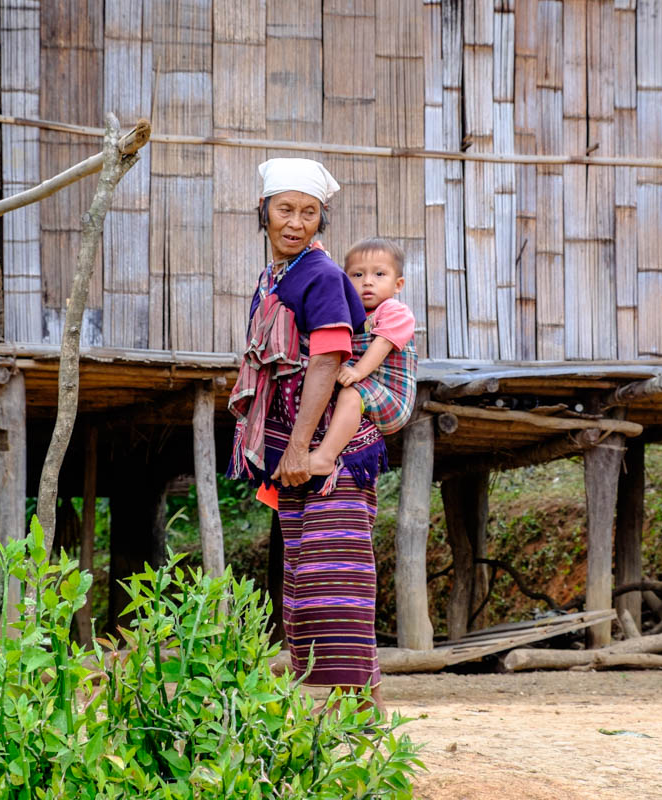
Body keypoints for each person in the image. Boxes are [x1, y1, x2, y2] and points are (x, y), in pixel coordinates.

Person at [226, 157, 386, 710]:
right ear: (263, 212)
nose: (295, 222)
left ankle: (359, 720)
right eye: (285, 209)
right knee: (301, 587)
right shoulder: (273, 279)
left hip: (328, 458)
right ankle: (331, 719)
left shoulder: (318, 275)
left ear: (322, 220)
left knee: (334, 585)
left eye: (309, 213)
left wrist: (301, 449)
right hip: (297, 457)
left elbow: (327, 359)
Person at [306, 238, 417, 486]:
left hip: (393, 397)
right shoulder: (351, 313)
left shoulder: (394, 311)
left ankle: (325, 456)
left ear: (398, 284)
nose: (367, 281)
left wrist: (357, 372)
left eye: (379, 274)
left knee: (350, 394)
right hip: (368, 389)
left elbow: (382, 343)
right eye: (357, 275)